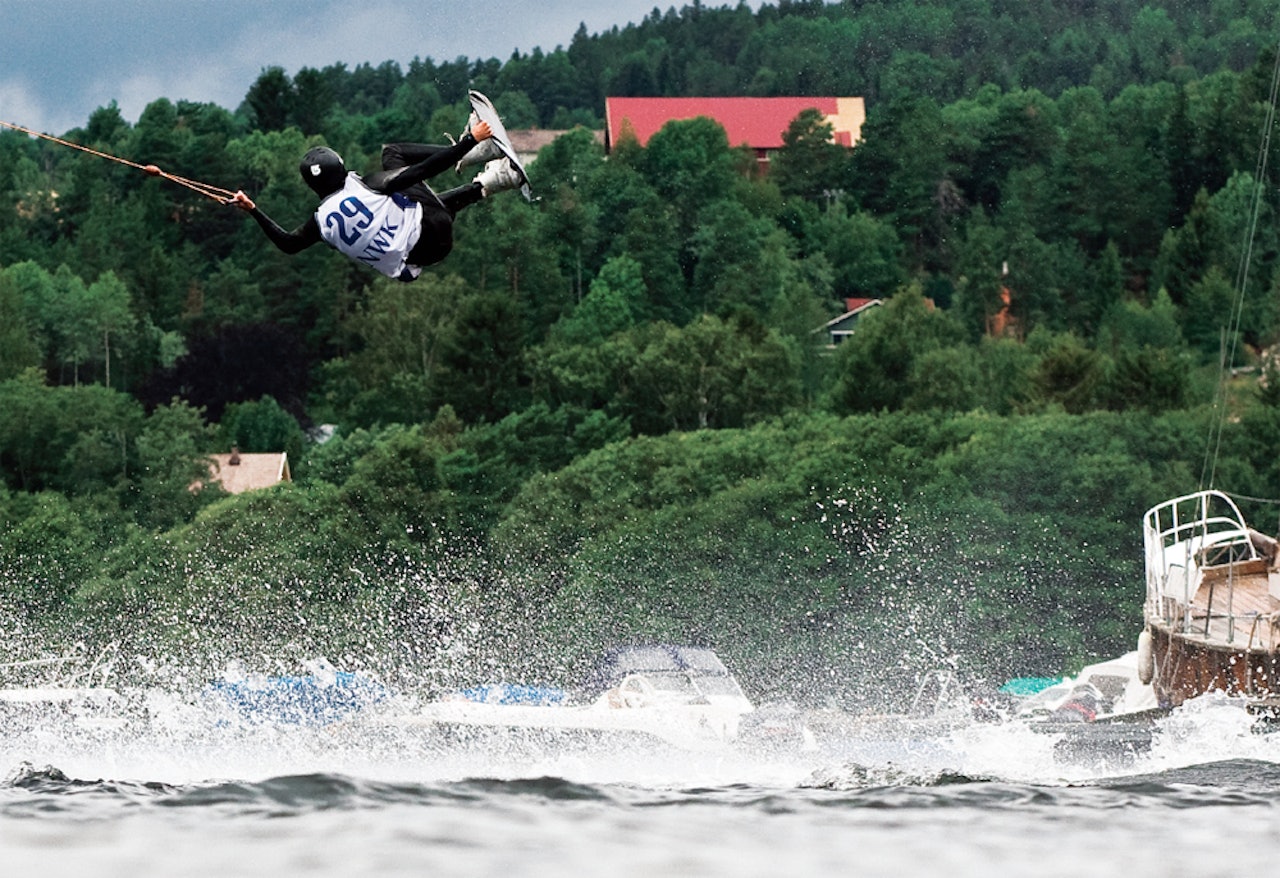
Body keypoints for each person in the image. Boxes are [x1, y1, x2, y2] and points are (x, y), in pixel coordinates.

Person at [228, 119, 524, 281]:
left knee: (407, 209)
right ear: (341, 167)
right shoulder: (367, 186)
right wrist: (469, 141)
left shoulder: (321, 223)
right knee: (392, 154)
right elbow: (424, 170)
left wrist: (253, 209)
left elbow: (288, 244)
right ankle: (476, 154)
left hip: (423, 256)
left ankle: (495, 181)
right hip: (433, 227)